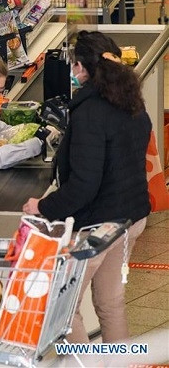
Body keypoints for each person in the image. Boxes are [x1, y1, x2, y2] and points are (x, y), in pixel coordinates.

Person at [22, 30, 151, 344]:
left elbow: (84, 186)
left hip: (98, 226)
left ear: (80, 68)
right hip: (131, 218)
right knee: (111, 303)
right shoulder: (132, 102)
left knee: (64, 308)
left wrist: (41, 207)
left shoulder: (90, 113)